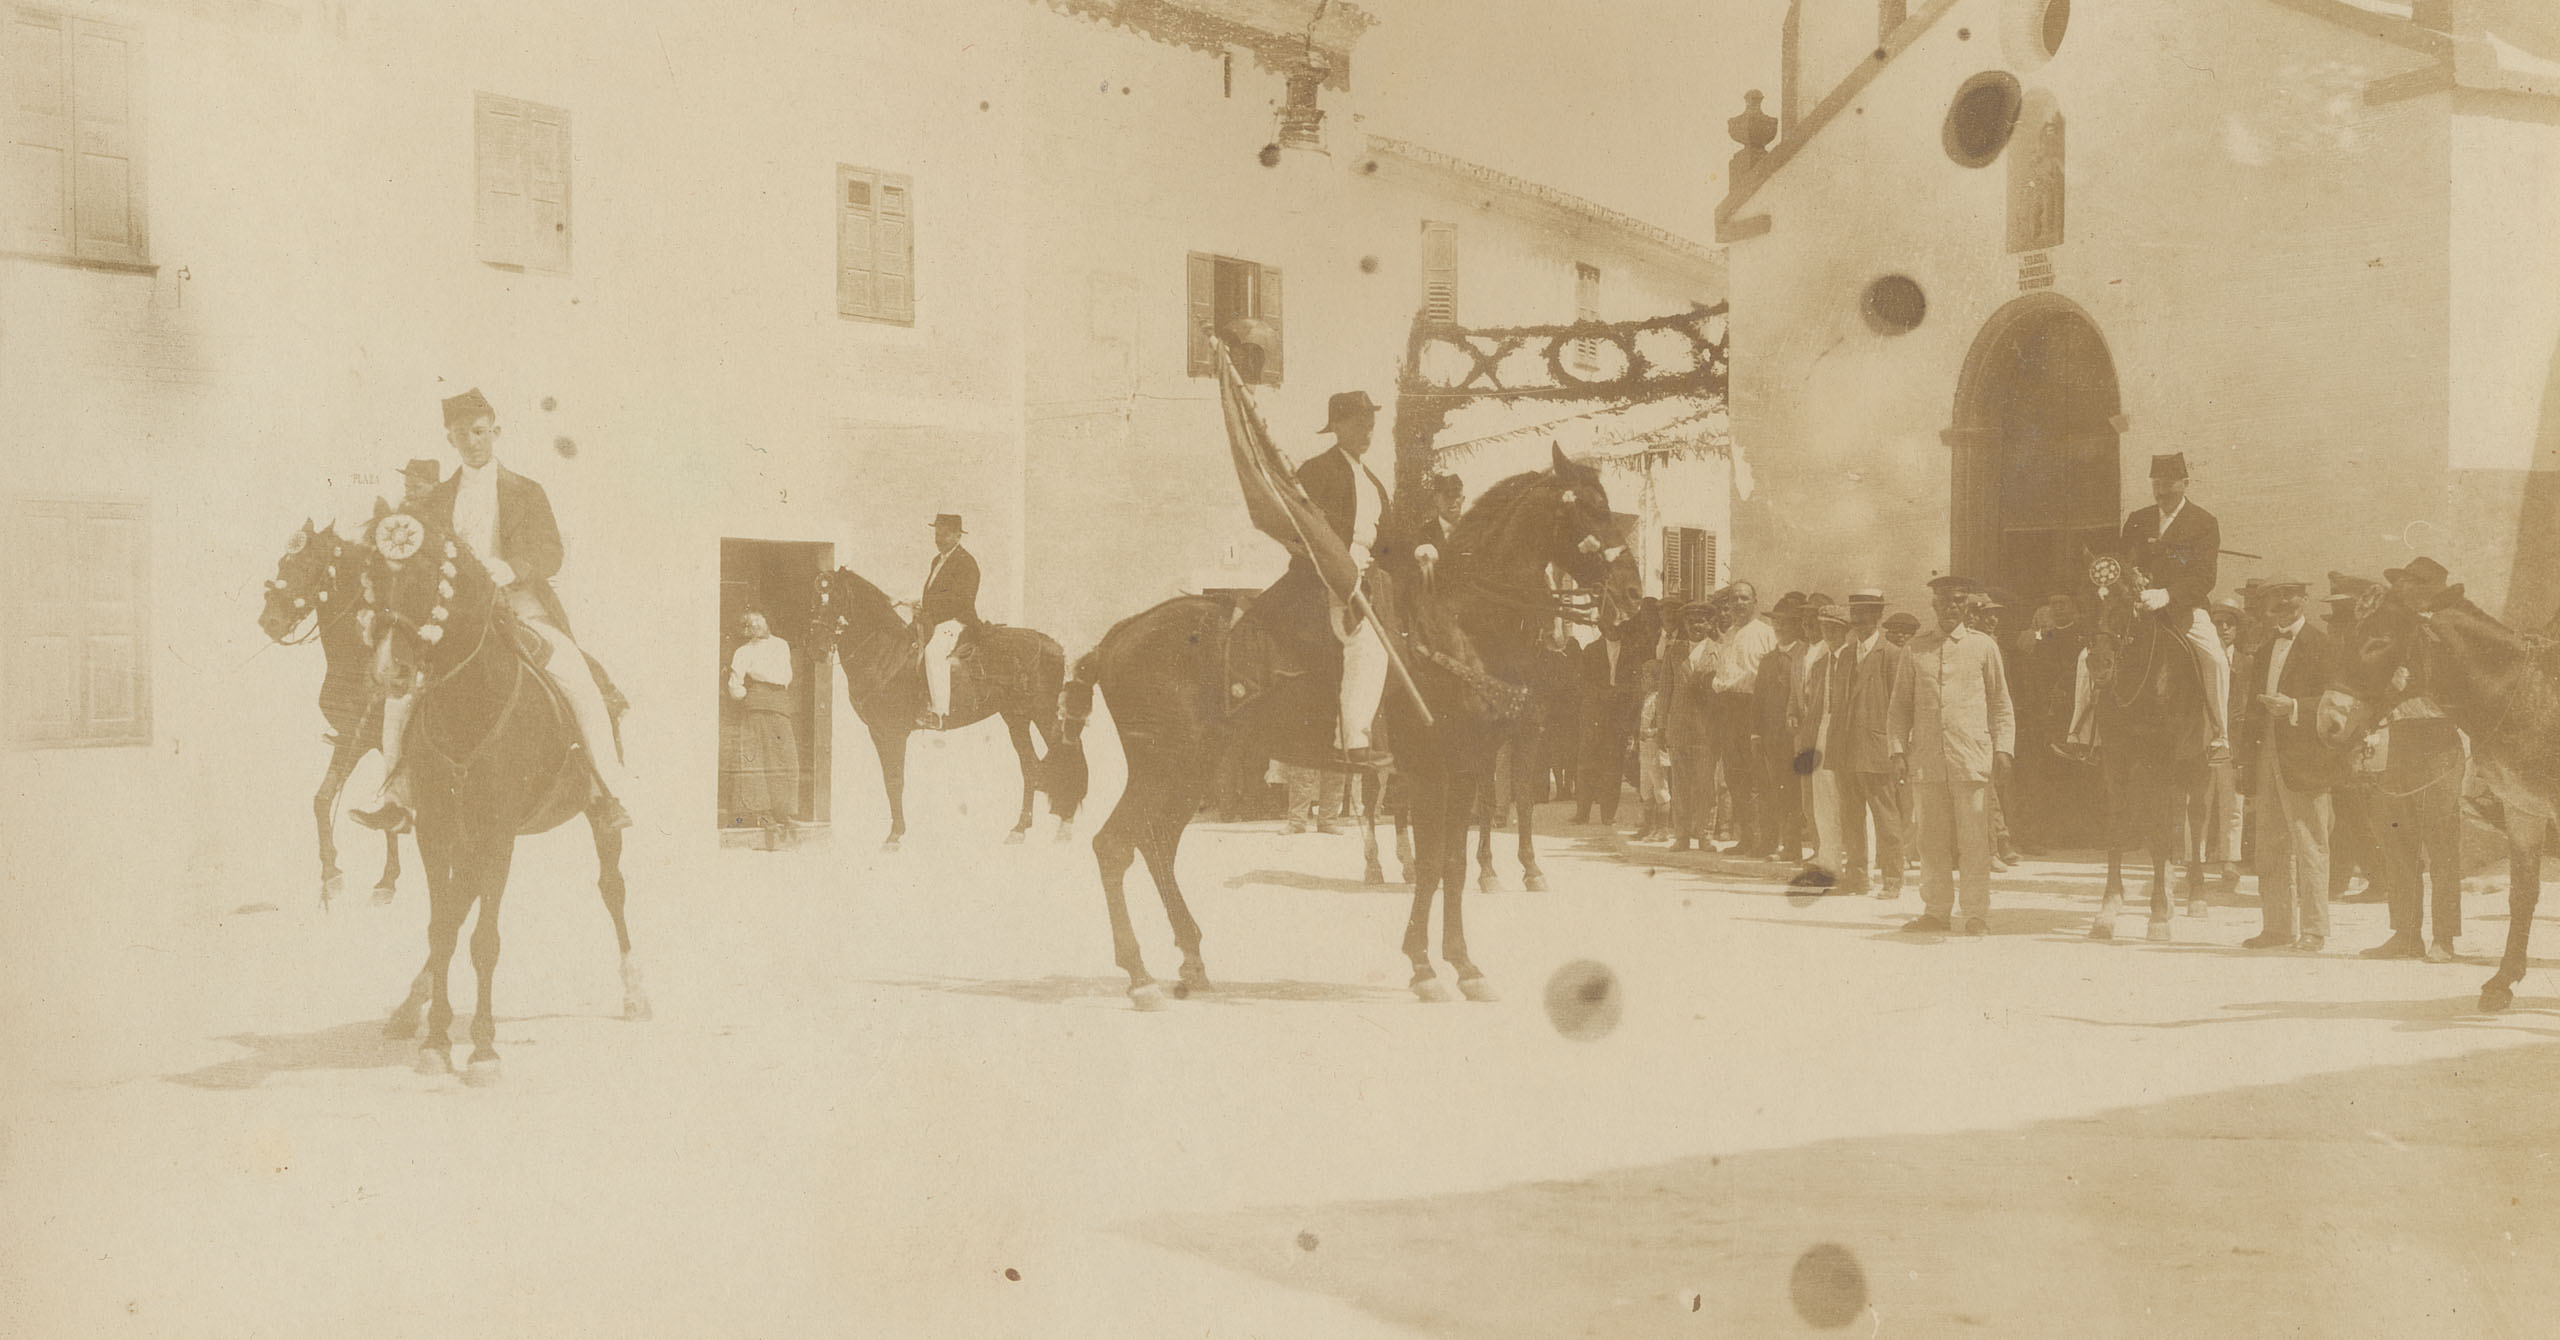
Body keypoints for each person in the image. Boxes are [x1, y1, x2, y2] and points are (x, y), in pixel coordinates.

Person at [355, 388, 632, 832]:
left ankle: (606, 792)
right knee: (400, 692)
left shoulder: (527, 491)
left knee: (576, 677)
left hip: (520, 609)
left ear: (495, 432)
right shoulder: (436, 501)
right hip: (453, 621)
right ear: (450, 439)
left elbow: (551, 552)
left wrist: (513, 568)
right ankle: (397, 798)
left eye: (479, 432)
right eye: (461, 434)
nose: (472, 441)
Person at [1261, 389, 1397, 768]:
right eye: (1359, 423)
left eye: (1371, 425)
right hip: (1324, 580)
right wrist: (1343, 573)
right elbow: (1304, 532)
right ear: (1336, 426)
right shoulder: (1316, 472)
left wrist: (1422, 552)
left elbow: (1389, 544)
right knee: (1369, 643)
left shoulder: (1373, 482)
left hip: (1366, 577)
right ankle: (1352, 741)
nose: (1367, 432)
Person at [1890, 576, 2015, 937]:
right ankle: (1936, 911)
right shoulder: (1915, 649)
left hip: (1970, 759)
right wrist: (1897, 750)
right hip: (1927, 760)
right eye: (1944, 600)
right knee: (1930, 841)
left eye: (1958, 600)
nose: (1951, 606)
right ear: (1934, 605)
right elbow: (1899, 708)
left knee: (1974, 841)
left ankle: (1975, 914)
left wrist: (2004, 748)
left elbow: (2000, 704)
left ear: (1966, 606)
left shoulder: (1983, 647)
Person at [2365, 557, 2466, 961]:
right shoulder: (2397, 632)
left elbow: (2465, 688)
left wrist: (2415, 686)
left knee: (2441, 844)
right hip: (2401, 741)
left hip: (2439, 743)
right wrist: (2388, 684)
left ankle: (2444, 937)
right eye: (2404, 584)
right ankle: (2406, 934)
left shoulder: (2450, 631)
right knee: (2398, 840)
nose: (2405, 591)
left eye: (2413, 585)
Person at [2238, 580, 2346, 952]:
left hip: (2305, 756)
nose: (2284, 602)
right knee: (2269, 843)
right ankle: (2277, 927)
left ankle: (2314, 930)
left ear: (2304, 599)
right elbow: (2252, 708)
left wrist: (2296, 707)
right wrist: (2246, 763)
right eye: (2277, 597)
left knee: (2311, 841)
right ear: (2267, 603)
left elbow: (2337, 700)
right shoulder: (2266, 647)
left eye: (2291, 595)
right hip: (2266, 750)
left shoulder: (2323, 645)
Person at [2122, 452, 2231, 758]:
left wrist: (2168, 594)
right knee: (2090, 656)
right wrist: (2135, 583)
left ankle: (2220, 735)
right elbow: (2124, 562)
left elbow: (2204, 577)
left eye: (2168, 484)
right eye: (2156, 484)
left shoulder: (2204, 523)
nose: (2161, 492)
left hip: (2184, 609)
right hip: (2140, 608)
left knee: (2216, 660)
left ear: (2185, 483)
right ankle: (2082, 732)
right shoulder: (2138, 519)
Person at [1835, 590, 1908, 897]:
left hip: (1877, 749)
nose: (1859, 619)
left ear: (1878, 616)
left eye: (1865, 613)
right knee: (1850, 817)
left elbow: (1900, 705)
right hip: (1846, 748)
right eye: (1855, 613)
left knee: (1885, 816)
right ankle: (1856, 877)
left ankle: (1892, 879)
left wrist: (1898, 749)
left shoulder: (1891, 654)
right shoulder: (1846, 654)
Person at [2184, 597, 2249, 899]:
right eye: (2218, 623)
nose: (2223, 628)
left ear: (2238, 628)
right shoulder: (2198, 658)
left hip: (2233, 740)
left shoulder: (2247, 662)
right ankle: (2192, 858)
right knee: (2198, 798)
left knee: (2232, 801)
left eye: (2229, 624)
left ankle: (2230, 861)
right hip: (2203, 737)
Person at [1710, 581, 1782, 854]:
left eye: (1744, 598)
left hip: (1754, 708)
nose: (1739, 603)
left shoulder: (1766, 633)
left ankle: (1767, 840)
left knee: (1759, 776)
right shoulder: (1728, 635)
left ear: (1755, 601)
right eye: (1734, 599)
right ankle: (1747, 838)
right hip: (1728, 709)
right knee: (1735, 775)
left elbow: (1772, 676)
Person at [726, 612, 799, 849]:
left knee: (784, 759)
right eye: (751, 625)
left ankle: (785, 813)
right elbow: (735, 686)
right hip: (756, 706)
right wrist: (747, 694)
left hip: (779, 705)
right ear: (746, 630)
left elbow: (785, 676)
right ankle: (765, 816)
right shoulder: (743, 651)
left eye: (760, 622)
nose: (758, 627)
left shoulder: (781, 645)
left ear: (767, 622)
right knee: (757, 760)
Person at [1797, 603, 1854, 886]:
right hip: (1822, 730)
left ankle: (1860, 864)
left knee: (1852, 800)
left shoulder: (1855, 659)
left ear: (1846, 630)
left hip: (1848, 733)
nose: (1829, 633)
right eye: (1825, 627)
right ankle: (1829, 863)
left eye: (1835, 628)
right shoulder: (1820, 664)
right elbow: (1813, 706)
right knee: (1823, 799)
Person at [913, 512, 981, 729]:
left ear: (958, 536)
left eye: (944, 535)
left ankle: (939, 713)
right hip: (934, 619)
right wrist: (921, 608)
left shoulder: (966, 563)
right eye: (936, 534)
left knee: (934, 652)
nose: (938, 539)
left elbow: (961, 601)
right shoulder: (937, 560)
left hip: (956, 621)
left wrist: (930, 614)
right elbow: (933, 594)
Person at [1666, 599, 1722, 851]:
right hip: (1679, 728)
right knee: (1680, 784)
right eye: (1690, 621)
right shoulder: (1674, 651)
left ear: (1710, 624)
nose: (1696, 626)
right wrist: (1662, 727)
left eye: (1701, 621)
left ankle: (1705, 834)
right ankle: (1682, 835)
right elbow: (1665, 691)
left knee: (1706, 783)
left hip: (1707, 729)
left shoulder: (1719, 651)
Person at [1634, 657, 1669, 842]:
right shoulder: (1646, 698)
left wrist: (1652, 732)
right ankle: (1648, 826)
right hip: (1645, 747)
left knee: (1660, 787)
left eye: (1647, 676)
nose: (1643, 680)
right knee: (1645, 787)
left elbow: (1665, 725)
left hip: (1656, 747)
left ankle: (1662, 829)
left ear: (1657, 679)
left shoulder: (1661, 699)